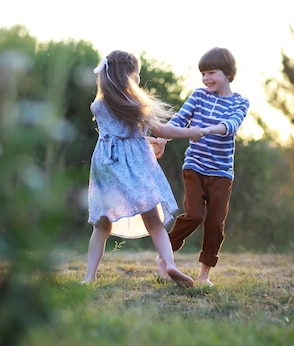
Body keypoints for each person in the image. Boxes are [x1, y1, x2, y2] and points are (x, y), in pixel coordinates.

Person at [82, 50, 209, 288]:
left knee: (101, 224)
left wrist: (146, 140)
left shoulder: (97, 106)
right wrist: (192, 132)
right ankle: (169, 264)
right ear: (129, 76)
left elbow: (119, 135)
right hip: (136, 168)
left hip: (107, 166)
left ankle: (89, 277)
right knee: (154, 221)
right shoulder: (137, 105)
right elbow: (161, 131)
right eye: (137, 74)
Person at [156, 47, 250, 287]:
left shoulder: (240, 102)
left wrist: (206, 130)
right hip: (195, 166)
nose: (206, 78)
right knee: (194, 215)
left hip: (221, 173)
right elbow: (179, 119)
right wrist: (163, 138)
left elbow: (231, 125)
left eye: (211, 72)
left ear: (228, 73)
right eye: (203, 74)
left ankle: (204, 275)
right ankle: (164, 256)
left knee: (215, 223)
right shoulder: (199, 96)